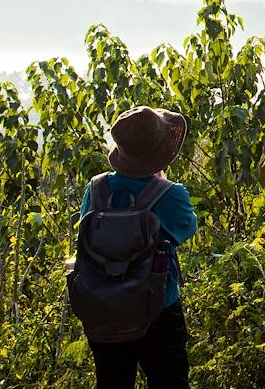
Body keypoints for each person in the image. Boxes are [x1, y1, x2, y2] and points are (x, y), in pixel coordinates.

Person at [79, 106, 198, 389]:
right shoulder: (170, 194)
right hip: (159, 306)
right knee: (170, 381)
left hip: (103, 307)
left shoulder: (95, 190)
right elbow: (187, 227)